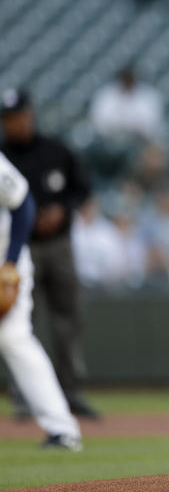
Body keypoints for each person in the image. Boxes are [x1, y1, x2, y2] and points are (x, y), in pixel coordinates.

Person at [0, 90, 99, 419]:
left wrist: (62, 209)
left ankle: (70, 391)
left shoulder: (56, 150)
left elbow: (82, 187)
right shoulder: (3, 155)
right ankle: (24, 397)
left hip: (58, 245)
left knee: (67, 319)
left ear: (31, 114)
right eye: (8, 118)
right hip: (20, 246)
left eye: (19, 115)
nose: (15, 123)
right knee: (18, 325)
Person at [0, 150, 83, 450]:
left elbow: (22, 205)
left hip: (4, 262)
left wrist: (9, 264)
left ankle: (62, 429)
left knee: (13, 337)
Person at [89, 65, 165, 144]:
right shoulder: (106, 94)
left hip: (139, 141)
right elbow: (99, 120)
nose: (127, 83)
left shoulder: (148, 95)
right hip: (108, 140)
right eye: (125, 79)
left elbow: (151, 123)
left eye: (129, 79)